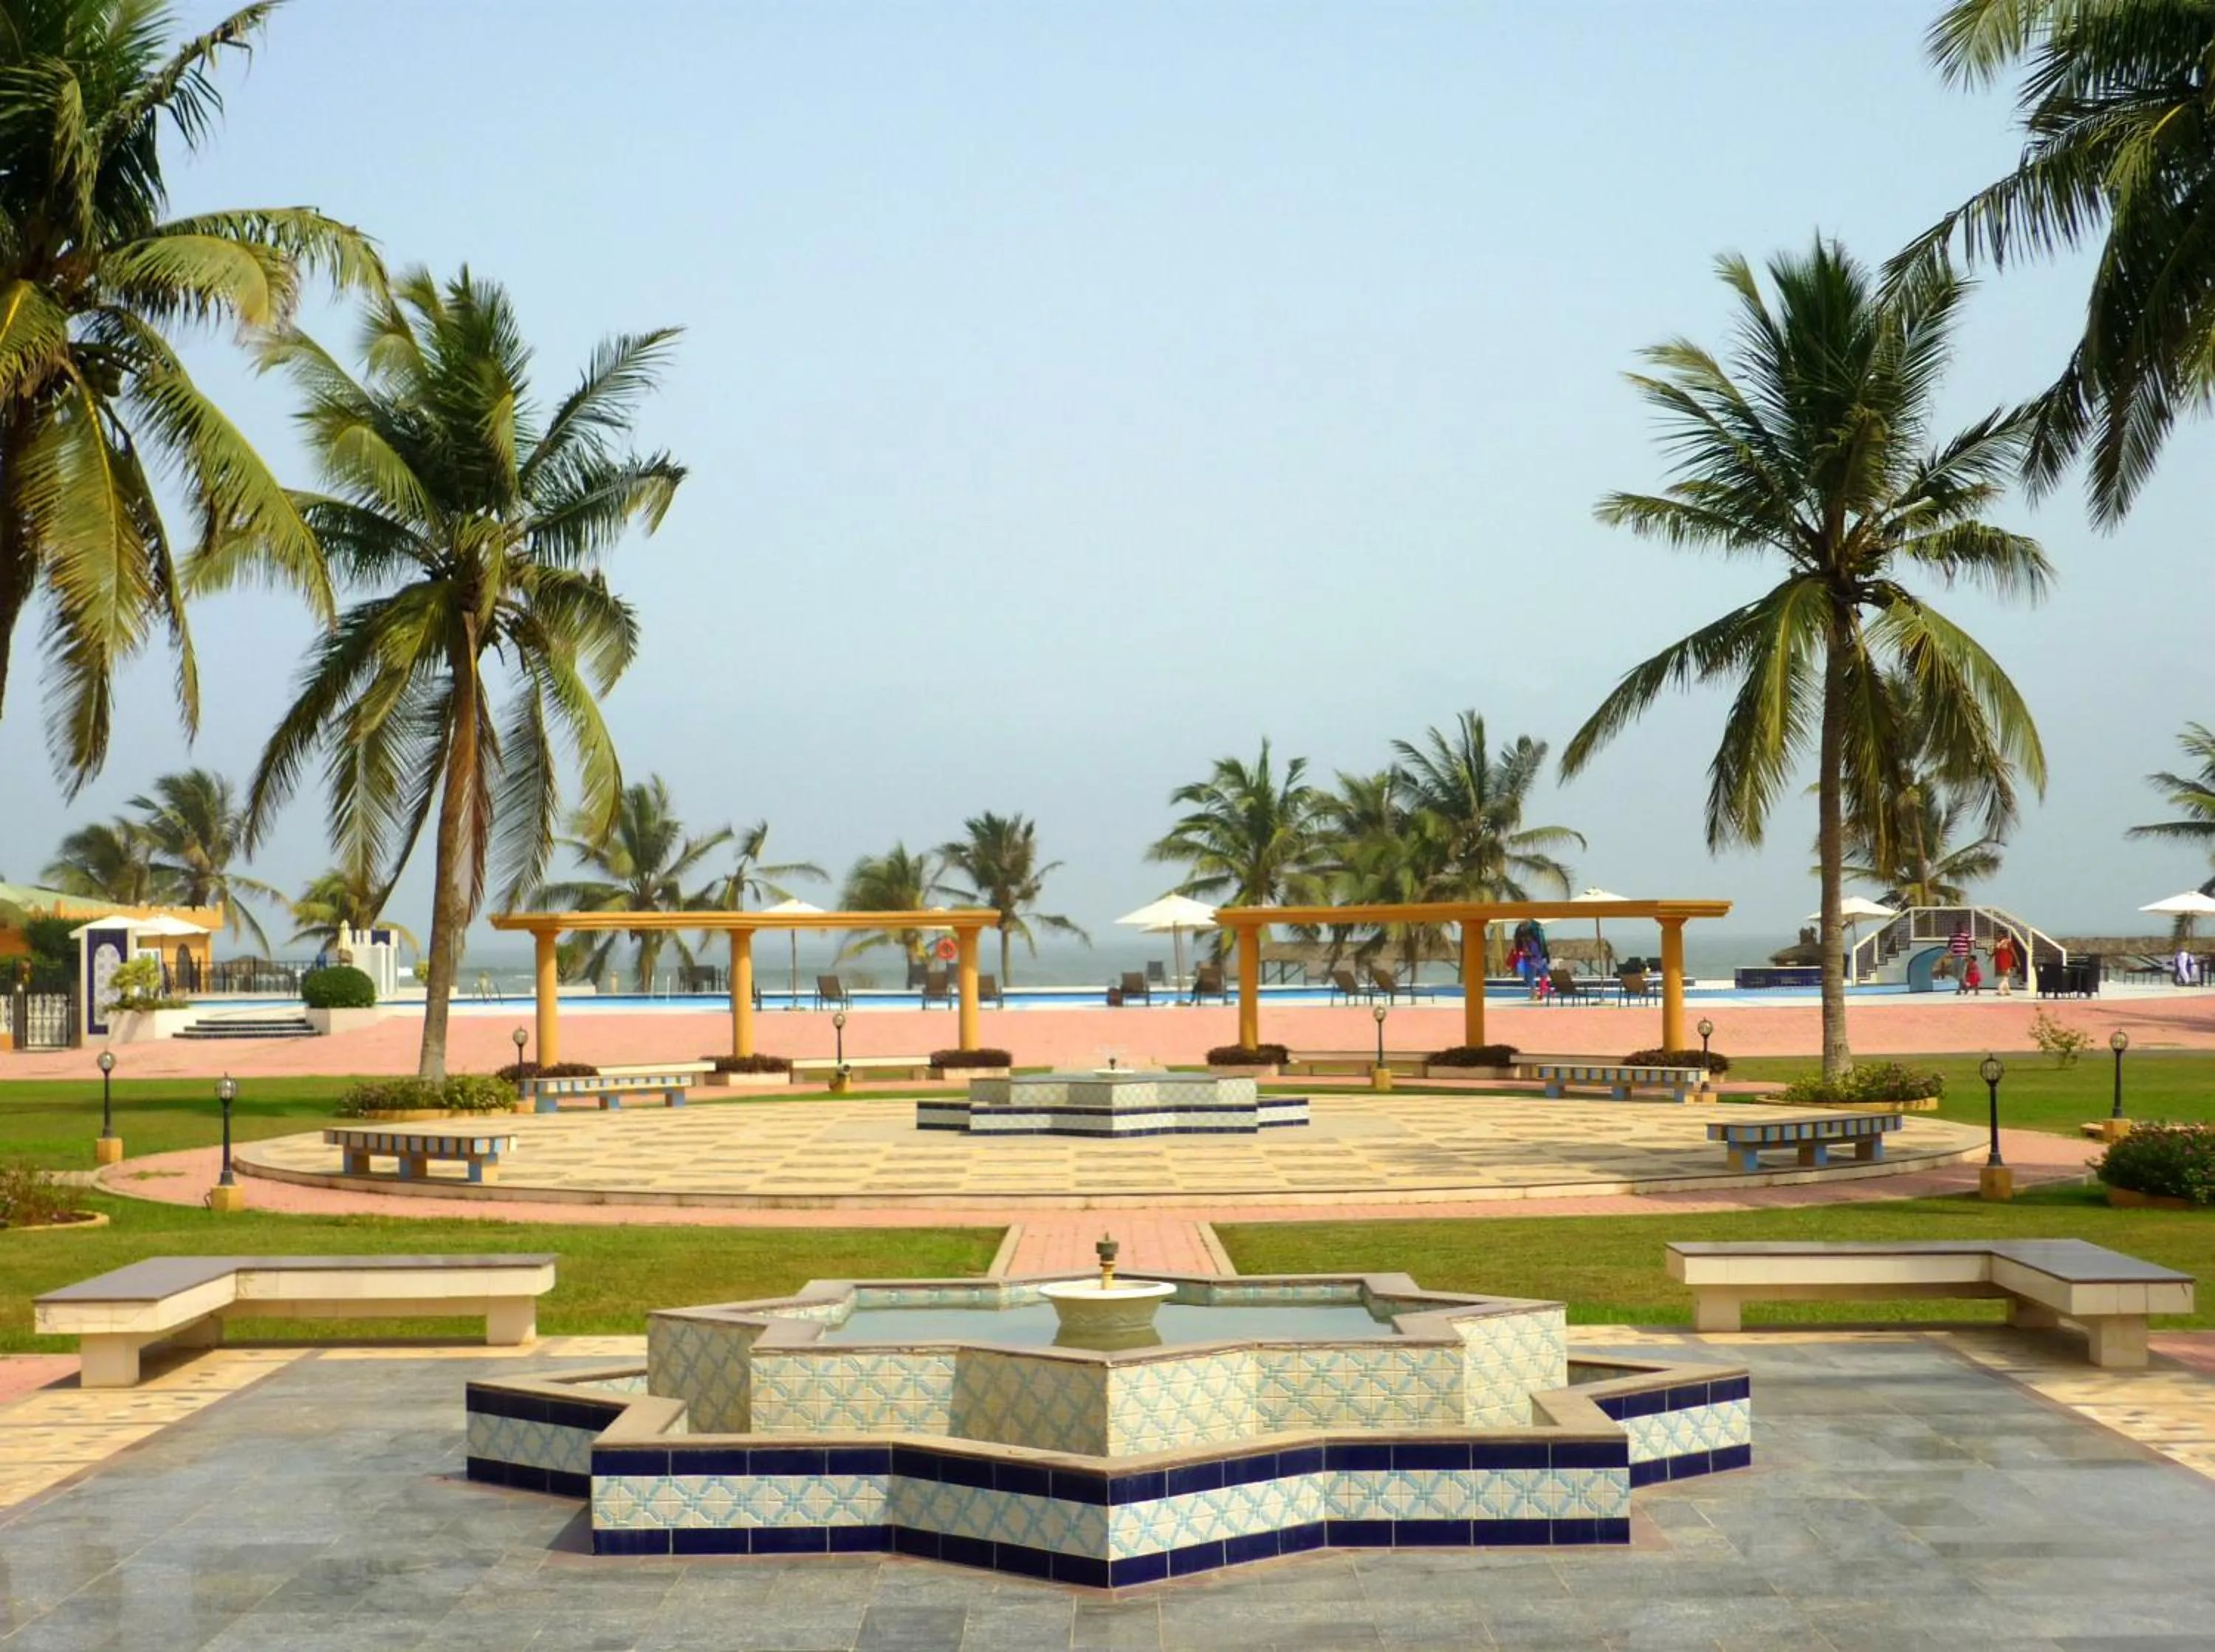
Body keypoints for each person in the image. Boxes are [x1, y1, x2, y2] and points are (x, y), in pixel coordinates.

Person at [1992, 932, 2017, 997]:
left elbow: (2013, 951)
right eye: (1997, 935)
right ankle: (2008, 991)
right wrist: (1991, 957)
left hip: (2007, 961)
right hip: (2000, 961)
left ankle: (2000, 988)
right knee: (2006, 977)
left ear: (2003, 935)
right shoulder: (1997, 943)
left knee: (2006, 976)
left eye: (1999, 935)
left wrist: (2017, 960)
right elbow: (1995, 952)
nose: (1997, 936)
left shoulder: (2007, 942)